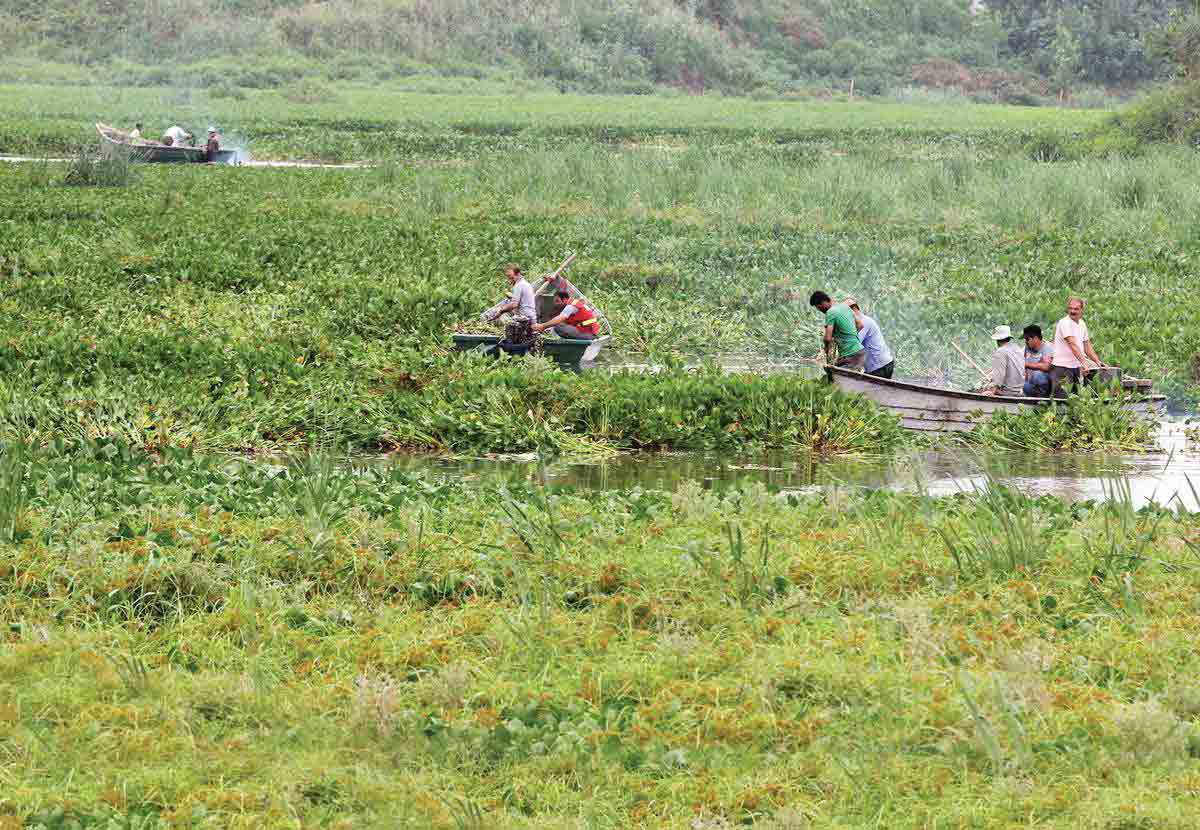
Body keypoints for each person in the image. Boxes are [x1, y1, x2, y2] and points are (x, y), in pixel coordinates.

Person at [1051, 297, 1105, 398]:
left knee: (1074, 398)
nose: (1072, 311)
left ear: (1081, 310)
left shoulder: (1082, 324)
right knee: (1062, 398)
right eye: (1070, 308)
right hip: (1062, 368)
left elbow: (1086, 345)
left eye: (1076, 309)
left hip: (1075, 367)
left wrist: (1097, 361)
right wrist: (1084, 363)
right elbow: (1073, 344)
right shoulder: (1064, 323)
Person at [809, 291, 865, 370]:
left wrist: (825, 351)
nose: (820, 310)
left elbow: (827, 338)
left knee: (837, 378)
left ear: (821, 304)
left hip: (850, 354)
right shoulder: (845, 306)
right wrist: (848, 335)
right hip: (859, 351)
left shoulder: (830, 312)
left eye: (818, 307)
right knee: (837, 371)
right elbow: (860, 325)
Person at [844, 296, 894, 379]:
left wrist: (840, 361)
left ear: (853, 310)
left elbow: (854, 345)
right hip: (881, 365)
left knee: (874, 391)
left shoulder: (864, 322)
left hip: (880, 367)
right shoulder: (861, 321)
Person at [533, 288, 600, 340]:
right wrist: (546, 328)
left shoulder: (571, 306)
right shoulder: (576, 303)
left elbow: (560, 319)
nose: (556, 304)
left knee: (557, 325)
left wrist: (542, 326)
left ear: (565, 299)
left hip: (588, 334)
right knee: (557, 324)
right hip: (589, 332)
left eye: (557, 301)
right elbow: (564, 322)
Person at [983, 325, 1025, 396]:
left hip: (1007, 391)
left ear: (997, 339)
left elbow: (999, 376)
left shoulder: (1000, 352)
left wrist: (991, 391)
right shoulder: (1017, 349)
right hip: (1019, 390)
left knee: (982, 389)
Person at [1022, 324, 1054, 397]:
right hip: (1032, 384)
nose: (1025, 341)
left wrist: (1026, 364)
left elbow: (1046, 366)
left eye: (1027, 339)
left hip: (1047, 384)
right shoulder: (1026, 348)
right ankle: (1033, 400)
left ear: (1035, 338)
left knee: (1038, 375)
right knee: (1024, 386)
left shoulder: (1047, 347)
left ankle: (1044, 399)